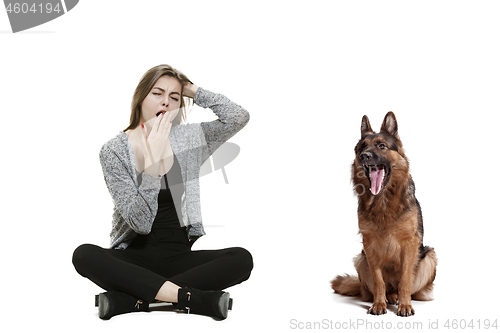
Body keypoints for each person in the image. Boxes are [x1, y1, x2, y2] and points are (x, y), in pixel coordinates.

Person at [72, 64, 253, 320]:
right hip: (133, 257)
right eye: (157, 93)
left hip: (178, 254)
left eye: (174, 97)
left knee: (241, 259)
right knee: (84, 255)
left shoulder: (189, 140)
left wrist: (192, 90)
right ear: (141, 97)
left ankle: (134, 299)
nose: (166, 102)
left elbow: (238, 117)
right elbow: (141, 224)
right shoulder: (113, 151)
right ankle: (190, 298)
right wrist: (153, 166)